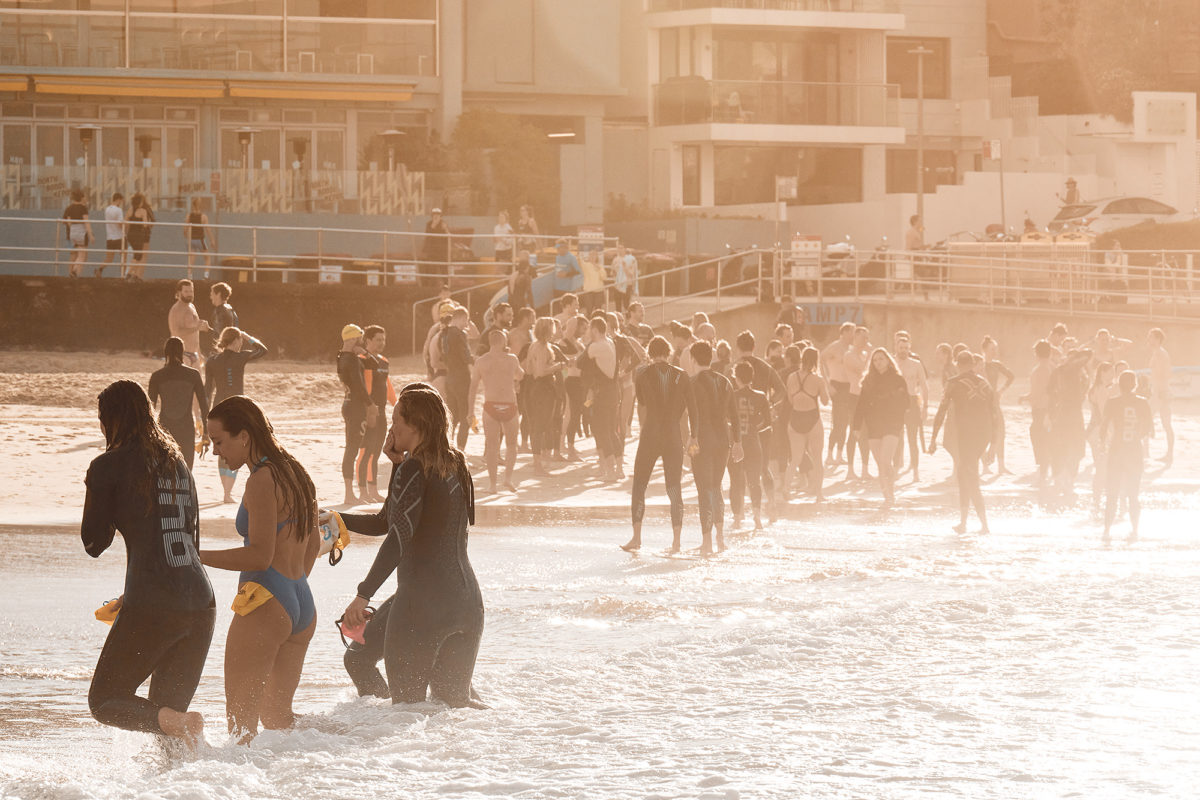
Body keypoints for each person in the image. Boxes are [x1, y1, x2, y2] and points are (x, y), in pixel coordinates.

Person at [82, 380, 214, 747]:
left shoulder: (107, 465)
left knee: (105, 700)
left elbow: (93, 542)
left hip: (154, 602)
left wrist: (100, 488)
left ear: (109, 420)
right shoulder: (177, 462)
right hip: (201, 602)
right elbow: (190, 537)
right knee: (169, 728)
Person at [341, 388, 485, 708]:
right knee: (454, 704)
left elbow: (397, 535)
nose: (391, 430)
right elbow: (388, 521)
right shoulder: (457, 464)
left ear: (416, 426)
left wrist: (364, 593)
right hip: (466, 602)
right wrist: (337, 518)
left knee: (405, 711)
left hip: (421, 605)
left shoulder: (414, 468)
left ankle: (365, 742)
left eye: (396, 421)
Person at [199, 396, 319, 741]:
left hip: (267, 601)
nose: (217, 452)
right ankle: (346, 742)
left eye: (219, 441)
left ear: (245, 437)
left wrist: (196, 555)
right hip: (301, 603)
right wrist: (289, 593)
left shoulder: (262, 480)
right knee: (279, 719)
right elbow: (312, 543)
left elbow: (258, 557)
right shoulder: (297, 471)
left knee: (241, 729)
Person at [621, 335, 696, 553]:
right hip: (673, 435)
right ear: (669, 352)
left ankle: (636, 537)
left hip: (651, 434)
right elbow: (692, 408)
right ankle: (676, 542)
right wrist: (693, 436)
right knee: (674, 488)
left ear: (650, 354)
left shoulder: (642, 374)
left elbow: (643, 401)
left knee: (639, 486)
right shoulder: (682, 376)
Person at [929, 350, 995, 533]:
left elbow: (942, 410)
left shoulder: (953, 383)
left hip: (965, 434)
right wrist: (994, 444)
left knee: (970, 477)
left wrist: (933, 437)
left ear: (958, 364)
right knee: (963, 473)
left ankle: (984, 525)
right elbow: (994, 413)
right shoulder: (985, 383)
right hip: (983, 435)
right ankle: (964, 522)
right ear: (973, 364)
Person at [206, 326, 269, 503]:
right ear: (235, 341)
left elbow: (207, 390)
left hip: (218, 408)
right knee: (236, 444)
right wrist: (248, 336)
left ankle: (226, 492)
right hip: (237, 408)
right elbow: (262, 350)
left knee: (220, 444)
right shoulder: (240, 357)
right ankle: (228, 492)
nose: (241, 344)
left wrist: (205, 413)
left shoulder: (212, 360)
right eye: (240, 341)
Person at [689, 341, 740, 554]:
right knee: (716, 487)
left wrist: (691, 439)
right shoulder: (725, 381)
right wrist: (737, 442)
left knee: (704, 489)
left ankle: (706, 540)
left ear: (692, 359)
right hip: (723, 441)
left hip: (701, 440)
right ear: (711, 358)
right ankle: (720, 538)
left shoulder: (690, 382)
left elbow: (688, 414)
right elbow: (735, 416)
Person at [1100, 370, 1153, 541]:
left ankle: (1106, 531)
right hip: (1134, 452)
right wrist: (1136, 434)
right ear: (1134, 385)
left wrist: (1103, 445)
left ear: (1119, 384)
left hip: (1116, 451)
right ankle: (1135, 531)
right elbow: (1149, 430)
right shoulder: (1142, 403)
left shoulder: (1112, 402)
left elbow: (1103, 429)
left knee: (1112, 493)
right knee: (1133, 494)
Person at [852, 348, 909, 507]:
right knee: (881, 464)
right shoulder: (868, 380)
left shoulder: (898, 379)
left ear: (888, 360)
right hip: (874, 425)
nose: (878, 362)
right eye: (875, 360)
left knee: (885, 460)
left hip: (892, 424)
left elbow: (906, 403)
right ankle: (888, 496)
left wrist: (895, 411)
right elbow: (861, 404)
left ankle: (890, 496)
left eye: (881, 359)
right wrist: (856, 426)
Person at [470, 329, 524, 492]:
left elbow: (472, 388)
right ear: (503, 342)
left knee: (492, 447)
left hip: (491, 406)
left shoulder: (481, 361)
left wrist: (470, 412)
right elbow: (520, 375)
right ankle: (507, 479)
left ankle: (492, 485)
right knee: (512, 444)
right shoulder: (512, 359)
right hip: (509, 405)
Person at [149, 337, 208, 470]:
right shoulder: (193, 375)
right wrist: (206, 434)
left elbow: (149, 407)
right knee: (186, 471)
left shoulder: (157, 376)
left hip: (164, 428)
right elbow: (204, 405)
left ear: (166, 353)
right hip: (186, 428)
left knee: (164, 471)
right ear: (182, 352)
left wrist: (148, 433)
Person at [728, 360, 771, 531]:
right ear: (751, 377)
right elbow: (767, 422)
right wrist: (753, 427)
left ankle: (737, 518)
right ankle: (757, 517)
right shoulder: (760, 396)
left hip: (735, 444)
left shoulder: (731, 395)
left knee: (735, 482)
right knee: (754, 482)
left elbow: (727, 419)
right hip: (754, 443)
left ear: (736, 377)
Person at [357, 325, 397, 503]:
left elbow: (388, 386)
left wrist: (396, 404)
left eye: (383, 339)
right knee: (365, 451)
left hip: (381, 412)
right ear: (368, 340)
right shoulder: (361, 360)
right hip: (367, 412)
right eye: (378, 339)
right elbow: (359, 387)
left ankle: (373, 491)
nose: (382, 343)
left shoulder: (384, 361)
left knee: (375, 451)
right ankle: (362, 492)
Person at [580, 316, 623, 481]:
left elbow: (580, 361)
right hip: (613, 392)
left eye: (590, 328)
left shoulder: (596, 346)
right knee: (612, 430)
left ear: (595, 330)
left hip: (602, 393)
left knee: (602, 430)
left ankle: (610, 472)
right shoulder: (611, 342)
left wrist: (588, 343)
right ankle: (619, 470)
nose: (588, 331)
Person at [786, 346, 830, 502]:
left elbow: (790, 400)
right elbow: (825, 401)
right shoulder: (818, 379)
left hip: (796, 418)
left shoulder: (792, 377)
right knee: (817, 458)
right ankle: (819, 493)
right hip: (812, 419)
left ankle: (786, 490)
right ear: (815, 361)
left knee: (795, 458)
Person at [337, 324, 373, 506]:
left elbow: (372, 364)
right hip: (356, 407)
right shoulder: (351, 359)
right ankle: (349, 494)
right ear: (352, 339)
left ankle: (351, 493)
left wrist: (363, 353)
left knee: (351, 447)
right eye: (359, 339)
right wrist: (370, 404)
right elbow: (359, 386)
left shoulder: (341, 357)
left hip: (348, 404)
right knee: (352, 448)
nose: (362, 342)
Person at [525, 317, 561, 476]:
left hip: (535, 388)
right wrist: (557, 367)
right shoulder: (542, 347)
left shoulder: (533, 345)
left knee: (538, 424)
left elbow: (529, 370)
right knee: (542, 424)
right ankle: (538, 464)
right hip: (544, 388)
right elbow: (539, 372)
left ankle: (538, 461)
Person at [892, 335, 927, 481]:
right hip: (896, 403)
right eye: (901, 348)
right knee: (896, 437)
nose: (904, 350)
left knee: (913, 438)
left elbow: (924, 386)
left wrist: (925, 406)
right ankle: (895, 469)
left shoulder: (916, 364)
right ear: (896, 348)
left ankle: (915, 471)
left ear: (909, 348)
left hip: (912, 401)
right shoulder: (891, 363)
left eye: (906, 348)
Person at [440, 306, 475, 450]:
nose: (467, 324)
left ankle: (447, 447)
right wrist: (477, 359)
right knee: (466, 416)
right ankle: (460, 450)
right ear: (460, 318)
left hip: (450, 376)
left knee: (452, 416)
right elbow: (466, 357)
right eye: (466, 320)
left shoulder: (444, 333)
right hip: (462, 377)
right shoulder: (460, 334)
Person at [821, 321, 855, 465]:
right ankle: (829, 454)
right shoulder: (834, 347)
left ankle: (839, 454)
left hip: (849, 386)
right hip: (837, 385)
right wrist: (827, 383)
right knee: (838, 422)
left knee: (845, 422)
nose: (854, 335)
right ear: (845, 332)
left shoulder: (852, 348)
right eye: (852, 332)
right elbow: (820, 360)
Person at [980, 336, 1014, 474]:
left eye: (996, 349)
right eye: (992, 349)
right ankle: (985, 466)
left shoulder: (996, 364)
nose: (995, 351)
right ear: (984, 350)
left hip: (994, 401)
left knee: (1001, 431)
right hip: (982, 403)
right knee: (983, 433)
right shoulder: (978, 364)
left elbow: (1011, 376)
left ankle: (1001, 465)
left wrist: (1001, 390)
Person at [168, 279, 208, 378]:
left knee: (197, 389)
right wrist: (198, 327)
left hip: (194, 354)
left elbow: (195, 334)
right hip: (181, 355)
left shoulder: (192, 307)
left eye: (191, 291)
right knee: (183, 388)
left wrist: (199, 353)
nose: (189, 294)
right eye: (186, 291)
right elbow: (176, 332)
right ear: (179, 292)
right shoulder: (176, 309)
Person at [1147, 328, 1173, 466]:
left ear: (1157, 339)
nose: (1148, 340)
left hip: (1161, 393)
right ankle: (1148, 452)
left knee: (1164, 423)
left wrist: (1160, 392)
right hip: (1158, 392)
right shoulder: (1157, 353)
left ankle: (1168, 454)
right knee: (1161, 423)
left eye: (1150, 337)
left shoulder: (1161, 354)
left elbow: (1165, 374)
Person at [61, 188, 92, 278]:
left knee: (73, 254)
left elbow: (64, 221)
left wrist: (70, 223)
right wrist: (90, 234)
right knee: (83, 255)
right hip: (81, 234)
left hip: (69, 235)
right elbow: (86, 222)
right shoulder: (83, 208)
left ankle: (70, 273)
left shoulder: (68, 208)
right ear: (81, 198)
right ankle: (75, 272)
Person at [125, 192, 154, 281]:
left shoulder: (130, 210)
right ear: (140, 202)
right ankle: (129, 273)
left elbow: (125, 223)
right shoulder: (143, 211)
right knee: (138, 255)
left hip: (130, 235)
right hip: (138, 235)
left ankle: (132, 274)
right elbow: (145, 225)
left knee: (137, 254)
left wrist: (126, 233)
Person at [421, 208, 452, 286]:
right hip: (432, 250)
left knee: (444, 269)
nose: (436, 216)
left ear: (440, 216)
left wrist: (445, 229)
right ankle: (428, 286)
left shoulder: (443, 224)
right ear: (432, 216)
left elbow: (449, 236)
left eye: (438, 215)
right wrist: (433, 225)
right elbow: (427, 235)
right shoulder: (429, 224)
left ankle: (446, 285)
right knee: (430, 268)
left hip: (441, 251)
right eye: (434, 214)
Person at [97, 192, 124, 279]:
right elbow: (120, 224)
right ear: (119, 200)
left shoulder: (107, 209)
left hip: (110, 237)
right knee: (124, 257)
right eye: (121, 201)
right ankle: (123, 275)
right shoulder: (119, 210)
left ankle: (100, 269)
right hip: (119, 237)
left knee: (109, 259)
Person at [185, 198, 213, 279]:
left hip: (192, 240)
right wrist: (212, 240)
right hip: (200, 240)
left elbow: (185, 229)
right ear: (200, 206)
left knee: (191, 259)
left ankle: (189, 276)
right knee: (207, 258)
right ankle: (206, 276)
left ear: (193, 206)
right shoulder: (203, 216)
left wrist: (186, 235)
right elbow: (208, 229)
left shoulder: (188, 216)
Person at [209, 282, 238, 355]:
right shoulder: (230, 309)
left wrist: (208, 329)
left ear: (218, 294)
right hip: (232, 349)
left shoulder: (219, 310)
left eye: (212, 294)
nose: (210, 297)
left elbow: (221, 332)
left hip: (222, 351)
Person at [611, 243, 638, 311]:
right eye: (618, 248)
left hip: (627, 284)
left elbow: (632, 274)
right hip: (617, 285)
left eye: (621, 248)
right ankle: (619, 320)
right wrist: (614, 274)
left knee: (626, 305)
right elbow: (612, 272)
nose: (620, 250)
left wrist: (624, 267)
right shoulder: (615, 260)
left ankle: (628, 319)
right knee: (618, 305)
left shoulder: (630, 259)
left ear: (625, 249)